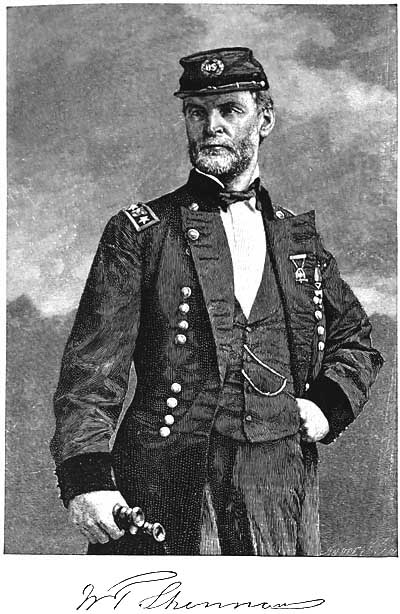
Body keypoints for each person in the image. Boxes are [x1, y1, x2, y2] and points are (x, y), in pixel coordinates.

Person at [51, 47, 383, 556]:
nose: (211, 127)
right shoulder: (141, 233)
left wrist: (326, 406)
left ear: (265, 119)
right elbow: (92, 372)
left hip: (279, 486)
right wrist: (87, 478)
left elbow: (355, 340)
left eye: (230, 110)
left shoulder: (296, 239)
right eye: (196, 112)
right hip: (168, 477)